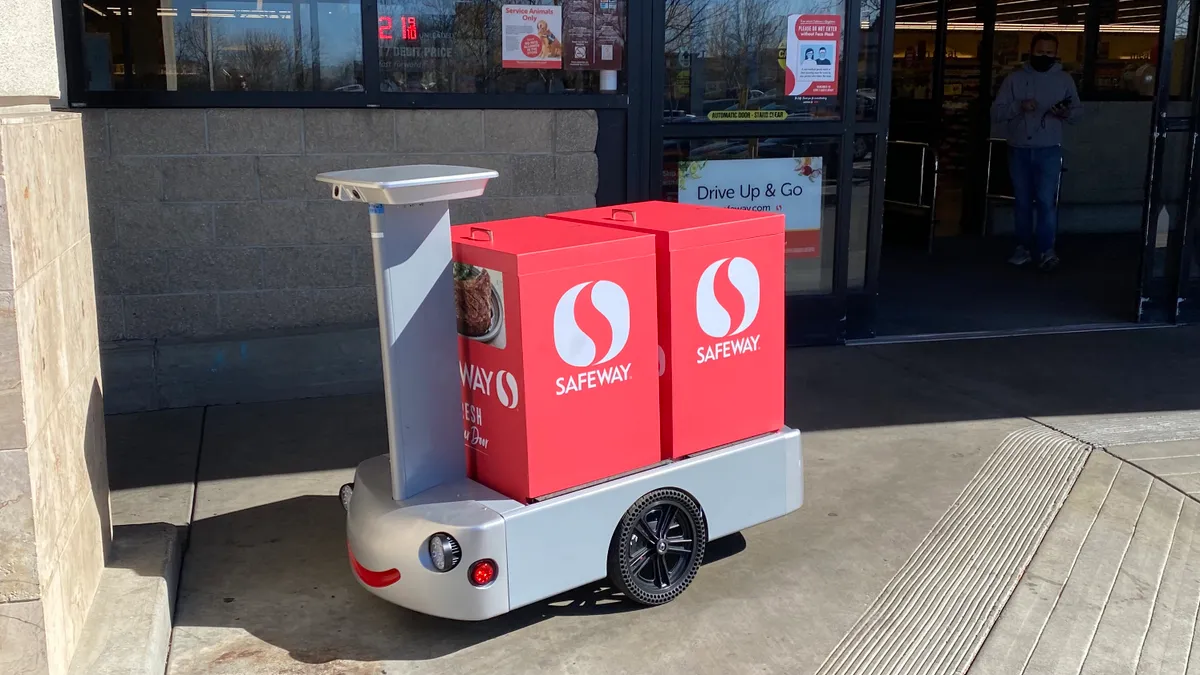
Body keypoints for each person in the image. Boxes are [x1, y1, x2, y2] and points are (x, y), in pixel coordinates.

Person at [991, 32, 1082, 271]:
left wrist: (1065, 113)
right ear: (1031, 51)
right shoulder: (1014, 80)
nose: (1044, 56)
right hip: (1018, 149)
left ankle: (1046, 250)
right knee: (1021, 202)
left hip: (1049, 149)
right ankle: (1022, 247)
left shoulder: (1064, 80)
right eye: (1040, 51)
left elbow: (1077, 113)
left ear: (1056, 53)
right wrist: (1018, 106)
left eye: (1049, 52)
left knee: (1045, 202)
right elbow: (996, 113)